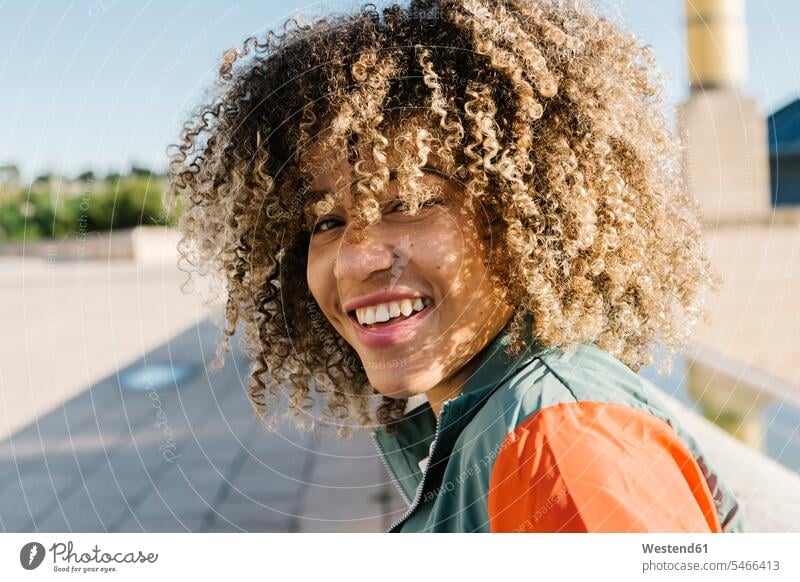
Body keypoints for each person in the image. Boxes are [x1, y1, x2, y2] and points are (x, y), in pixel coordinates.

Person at [166, 0, 746, 533]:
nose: (354, 258)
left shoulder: (556, 446)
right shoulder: (498, 423)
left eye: (411, 203)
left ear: (530, 213)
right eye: (325, 222)